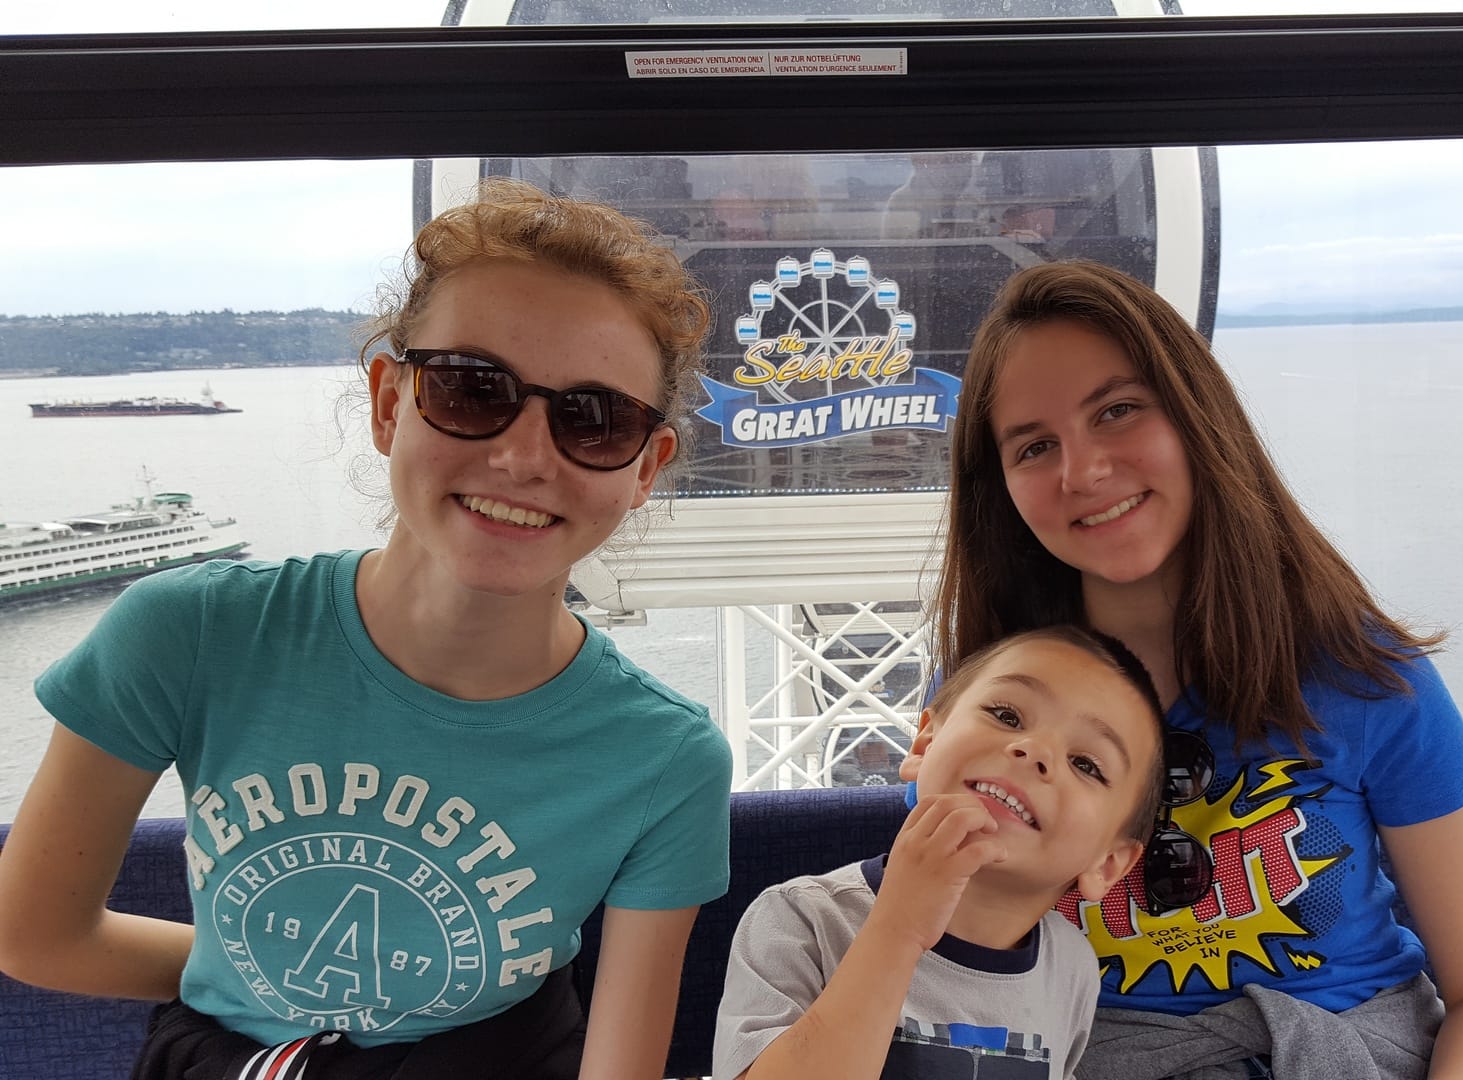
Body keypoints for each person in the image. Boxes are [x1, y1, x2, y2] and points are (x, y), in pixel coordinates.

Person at [0, 179, 732, 1079]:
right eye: (472, 390)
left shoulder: (665, 758)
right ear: (391, 403)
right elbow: (37, 935)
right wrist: (276, 992)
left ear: (646, 468)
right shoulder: (188, 634)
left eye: (595, 419)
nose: (524, 457)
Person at [931, 261, 1463, 1079]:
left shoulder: (1365, 678)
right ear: (1001, 488)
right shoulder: (987, 713)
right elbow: (948, 982)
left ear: (1196, 418)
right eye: (1035, 446)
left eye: (1116, 411)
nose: (1082, 472)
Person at [712, 625, 1165, 1080]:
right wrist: (898, 928)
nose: (1034, 750)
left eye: (1086, 764)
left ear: (1108, 863)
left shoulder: (1070, 969)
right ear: (925, 744)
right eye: (1007, 716)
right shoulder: (799, 919)